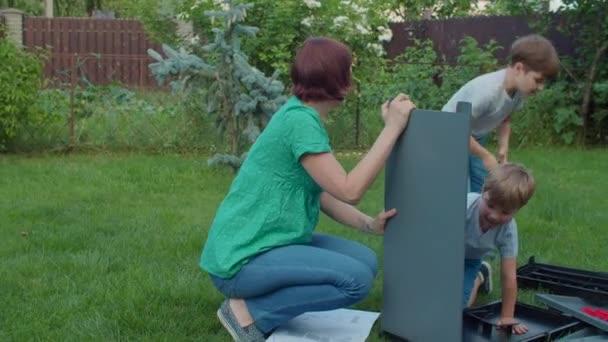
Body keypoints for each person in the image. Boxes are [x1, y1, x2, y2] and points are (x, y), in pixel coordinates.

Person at [199, 37, 416, 341]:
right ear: (340, 80)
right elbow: (348, 189)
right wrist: (392, 128)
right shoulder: (299, 122)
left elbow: (323, 191)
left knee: (366, 261)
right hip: (241, 258)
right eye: (350, 70)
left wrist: (369, 224)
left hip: (272, 242)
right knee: (355, 281)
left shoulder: (302, 117)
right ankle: (249, 313)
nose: (352, 77)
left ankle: (253, 302)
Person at [442, 34, 559, 193]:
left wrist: (502, 150)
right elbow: (455, 128)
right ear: (518, 68)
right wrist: (486, 156)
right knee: (460, 190)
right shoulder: (487, 91)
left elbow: (505, 117)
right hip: (449, 135)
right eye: (538, 80)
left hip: (475, 136)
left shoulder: (519, 92)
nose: (541, 87)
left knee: (483, 186)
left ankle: (477, 215)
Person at [462, 163, 536, 335]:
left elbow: (509, 276)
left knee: (458, 308)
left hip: (471, 260)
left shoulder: (508, 231)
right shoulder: (464, 207)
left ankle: (479, 276)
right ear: (483, 190)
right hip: (446, 254)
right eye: (490, 205)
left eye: (505, 212)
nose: (495, 215)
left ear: (518, 209)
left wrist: (507, 316)